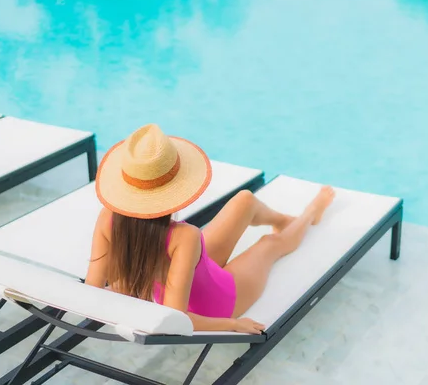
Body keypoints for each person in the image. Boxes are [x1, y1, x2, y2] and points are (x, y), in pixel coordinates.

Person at [85, 124, 335, 334]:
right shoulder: (184, 236)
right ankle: (311, 213)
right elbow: (175, 317)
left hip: (192, 273)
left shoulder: (108, 218)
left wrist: (125, 287)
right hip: (217, 304)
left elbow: (92, 288)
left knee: (244, 200)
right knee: (269, 244)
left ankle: (282, 220)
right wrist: (233, 324)